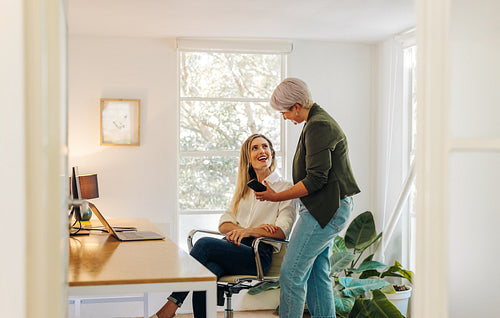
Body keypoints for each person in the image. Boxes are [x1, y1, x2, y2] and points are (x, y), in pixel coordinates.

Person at [152, 134, 297, 318]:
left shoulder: (285, 188)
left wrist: (248, 230)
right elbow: (224, 224)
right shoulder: (244, 190)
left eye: (265, 146)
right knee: (206, 274)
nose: (261, 151)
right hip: (235, 249)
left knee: (204, 244)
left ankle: (171, 305)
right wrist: (247, 230)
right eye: (255, 148)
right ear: (248, 158)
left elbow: (281, 231)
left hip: (258, 255)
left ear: (272, 153)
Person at [254, 78, 361, 318]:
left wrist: (276, 197)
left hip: (325, 210)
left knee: (291, 274)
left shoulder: (318, 125)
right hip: (325, 208)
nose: (284, 117)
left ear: (296, 105)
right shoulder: (315, 122)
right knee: (316, 274)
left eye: (284, 111)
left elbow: (315, 180)